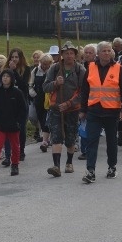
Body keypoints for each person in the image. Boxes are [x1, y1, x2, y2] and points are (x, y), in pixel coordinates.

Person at [79, 41, 122, 183]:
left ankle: (112, 167)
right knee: (91, 141)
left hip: (111, 111)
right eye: (104, 51)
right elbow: (85, 90)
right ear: (98, 53)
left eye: (109, 51)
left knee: (111, 141)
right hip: (94, 110)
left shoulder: (117, 68)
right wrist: (82, 109)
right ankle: (90, 171)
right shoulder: (90, 67)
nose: (107, 53)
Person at [43, 41, 86, 177]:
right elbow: (45, 87)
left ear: (75, 55)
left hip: (72, 110)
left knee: (70, 137)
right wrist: (55, 83)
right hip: (56, 109)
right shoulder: (55, 69)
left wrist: (69, 103)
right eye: (66, 53)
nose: (69, 56)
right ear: (62, 55)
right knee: (56, 137)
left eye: (71, 53)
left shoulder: (80, 70)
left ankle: (69, 162)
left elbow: (83, 92)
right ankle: (56, 166)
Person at [0, 69, 27, 178]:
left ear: (11, 79)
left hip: (14, 125)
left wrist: (20, 122)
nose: (5, 78)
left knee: (15, 146)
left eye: (7, 76)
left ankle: (15, 165)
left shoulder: (17, 93)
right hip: (1, 125)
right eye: (3, 76)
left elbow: (23, 109)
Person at [4, 48, 31, 163]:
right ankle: (7, 154)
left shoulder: (26, 69)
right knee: (6, 128)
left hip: (21, 103)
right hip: (8, 103)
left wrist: (14, 71)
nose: (14, 59)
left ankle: (21, 151)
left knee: (21, 128)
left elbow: (23, 85)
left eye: (16, 57)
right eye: (12, 57)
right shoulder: (6, 70)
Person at [29, 53, 54, 152]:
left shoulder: (53, 71)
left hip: (50, 99)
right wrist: (34, 95)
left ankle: (45, 141)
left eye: (47, 64)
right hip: (39, 99)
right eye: (43, 64)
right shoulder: (35, 71)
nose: (45, 66)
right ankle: (46, 138)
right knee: (40, 118)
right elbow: (30, 85)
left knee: (47, 119)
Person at [78, 43, 98, 160]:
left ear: (95, 54)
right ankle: (84, 150)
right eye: (86, 52)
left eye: (91, 53)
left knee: (91, 128)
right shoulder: (79, 67)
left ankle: (91, 149)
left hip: (95, 101)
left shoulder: (97, 67)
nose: (88, 55)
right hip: (82, 99)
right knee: (83, 127)